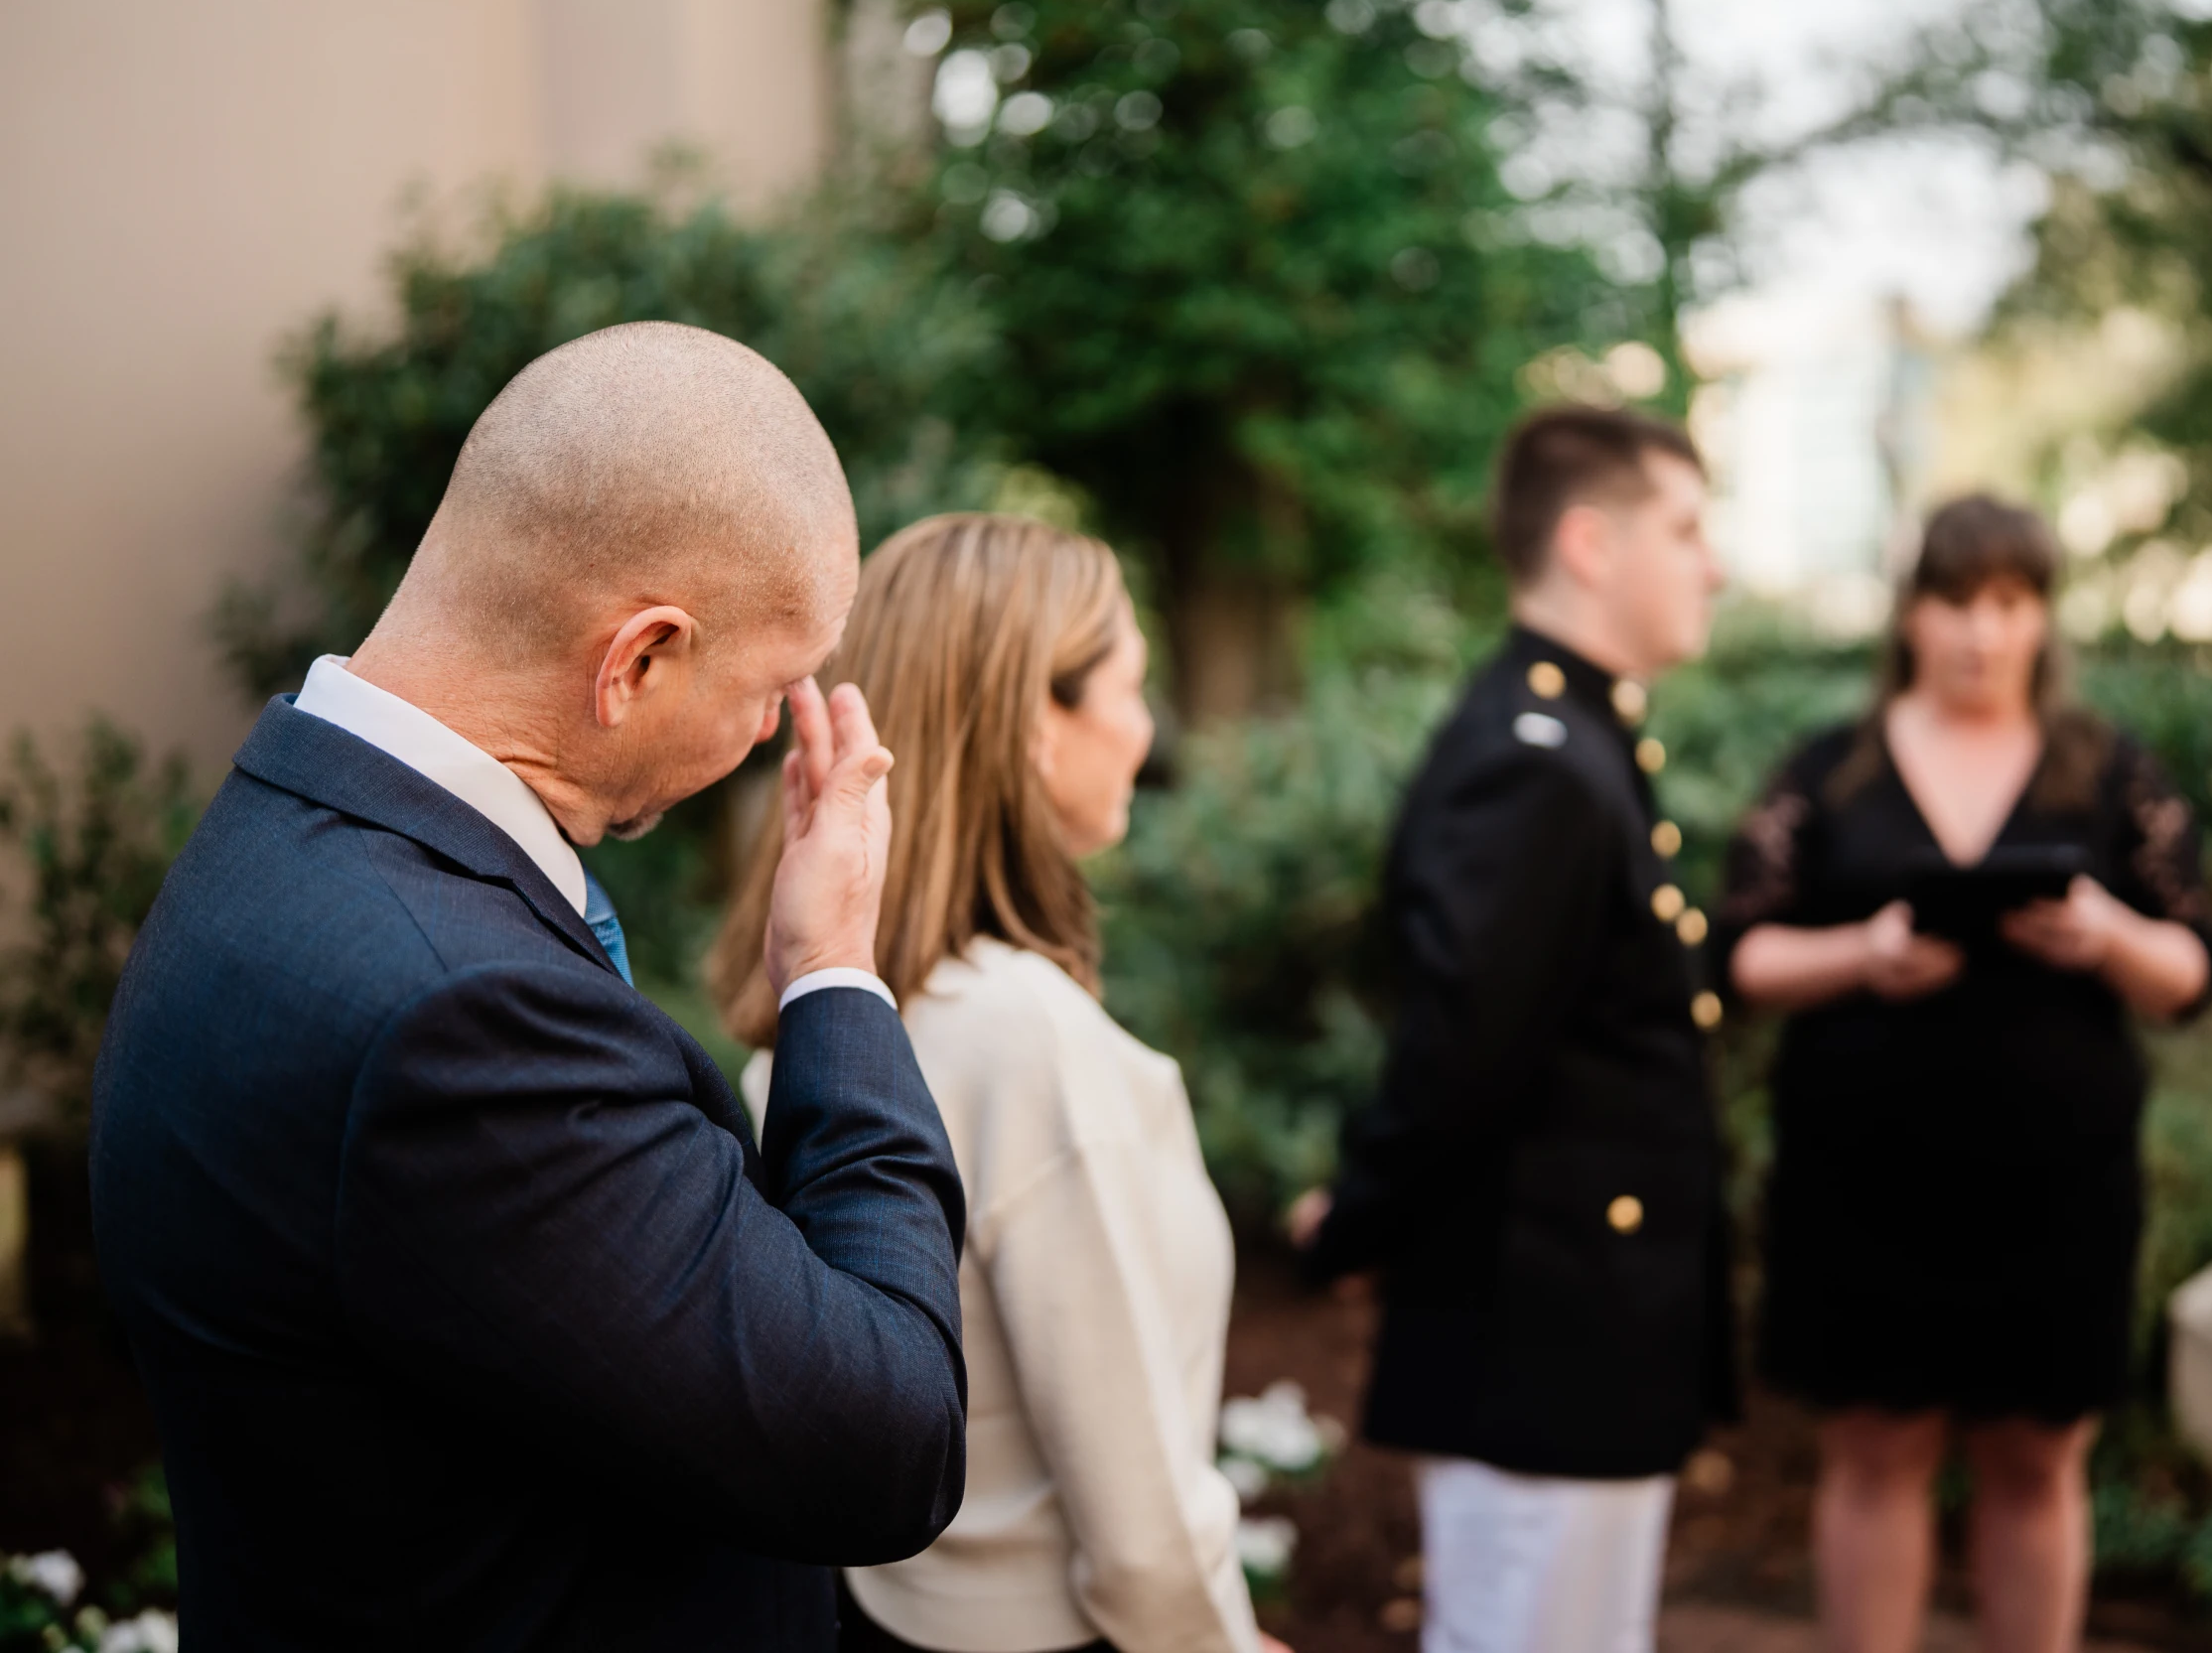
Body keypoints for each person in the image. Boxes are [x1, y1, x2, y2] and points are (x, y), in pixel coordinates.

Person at [87, 324, 967, 1652]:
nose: (769, 733)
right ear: (638, 659)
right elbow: (885, 1433)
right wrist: (835, 969)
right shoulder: (459, 1019)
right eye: (773, 684)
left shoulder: (277, 827)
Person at [712, 513, 1289, 1653]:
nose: (1145, 727)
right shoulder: (1022, 1035)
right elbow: (1135, 1525)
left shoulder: (824, 1022)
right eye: (1130, 684)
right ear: (1038, 721)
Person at [1714, 495, 2212, 1653]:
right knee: (1874, 1449)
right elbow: (1742, 952)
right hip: (1864, 1184)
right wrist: (1862, 953)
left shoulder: (2110, 772)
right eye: (1953, 602)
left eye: (2006, 603)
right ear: (1910, 615)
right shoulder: (1828, 770)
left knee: (2038, 1456)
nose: (1979, 633)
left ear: (2041, 618)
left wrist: (2105, 935)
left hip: (2055, 1189)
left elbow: (2192, 967)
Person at [1290, 405, 1736, 1653]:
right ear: (1590, 544)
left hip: (1579, 1324)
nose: (1716, 562)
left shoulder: (1575, 733)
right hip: (1542, 1328)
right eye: (1688, 529)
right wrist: (1360, 1222)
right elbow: (1464, 1053)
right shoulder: (1537, 757)